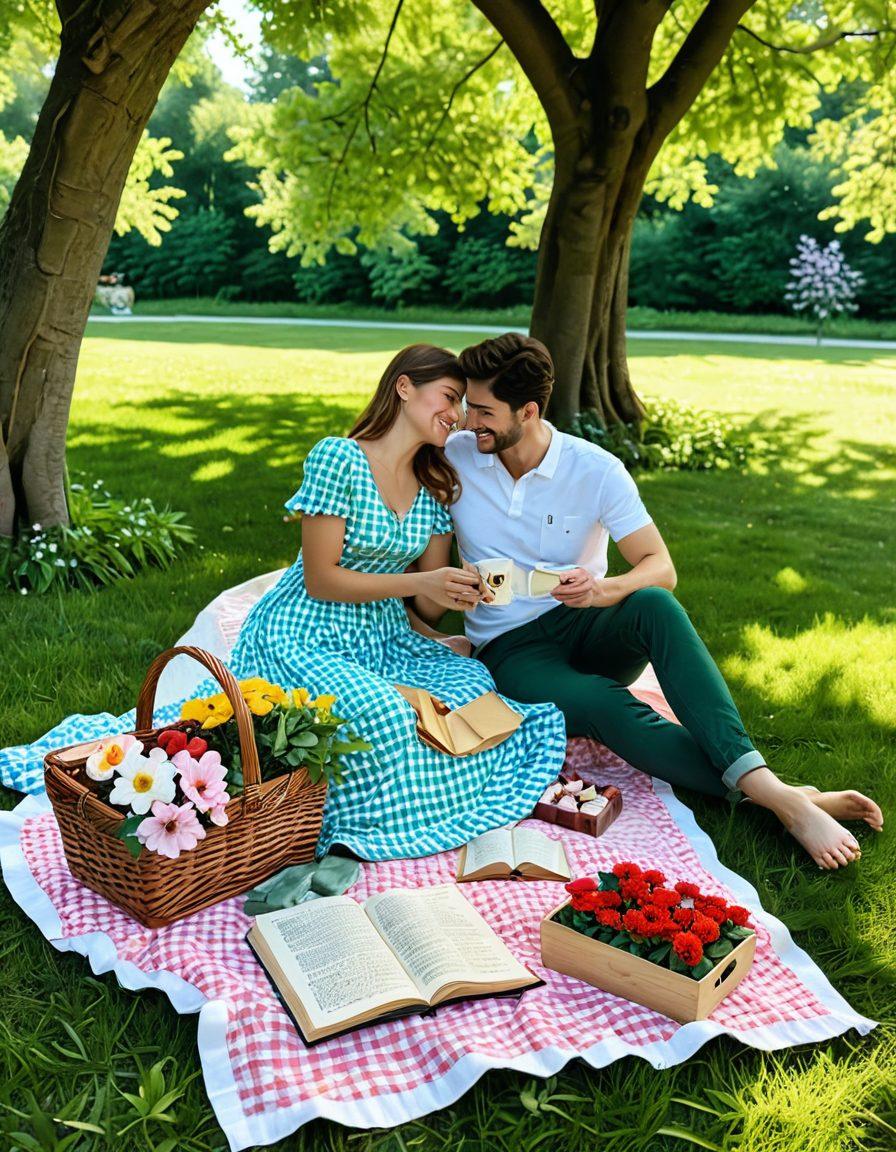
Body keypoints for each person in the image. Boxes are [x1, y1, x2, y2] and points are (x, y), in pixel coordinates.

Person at [412, 332, 882, 871]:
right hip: (512, 649)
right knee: (607, 705)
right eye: (469, 405)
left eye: (485, 410)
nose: (470, 420)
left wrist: (601, 591)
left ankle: (772, 792)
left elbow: (661, 567)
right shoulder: (456, 457)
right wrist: (443, 586)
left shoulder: (595, 469)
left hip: (588, 623)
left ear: (529, 410)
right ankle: (782, 797)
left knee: (656, 605)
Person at [213, 342, 568, 859]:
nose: (458, 416)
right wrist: (420, 586)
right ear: (404, 387)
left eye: (464, 405)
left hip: (382, 635)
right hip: (303, 632)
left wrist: (452, 600)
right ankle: (360, 824)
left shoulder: (433, 487)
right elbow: (320, 579)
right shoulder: (339, 458)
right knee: (385, 714)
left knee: (472, 683)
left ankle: (441, 805)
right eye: (449, 397)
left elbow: (426, 601)